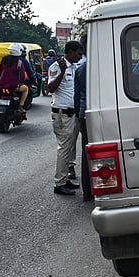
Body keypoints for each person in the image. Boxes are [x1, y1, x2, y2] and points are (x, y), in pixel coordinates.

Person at [47, 40, 84, 196]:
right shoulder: (56, 67)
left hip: (73, 113)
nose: (80, 57)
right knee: (63, 148)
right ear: (70, 52)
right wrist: (62, 72)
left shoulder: (75, 66)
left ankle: (65, 178)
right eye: (78, 54)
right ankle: (59, 183)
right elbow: (50, 88)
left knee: (70, 147)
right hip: (62, 114)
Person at [74, 37, 92, 201]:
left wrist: (78, 116)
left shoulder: (81, 67)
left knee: (87, 152)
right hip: (97, 112)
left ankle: (87, 191)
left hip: (84, 113)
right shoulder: (100, 64)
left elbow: (76, 96)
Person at [0, 43, 30, 114]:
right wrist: (20, 83)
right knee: (26, 89)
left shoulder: (4, 60)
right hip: (13, 87)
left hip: (1, 85)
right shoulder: (19, 62)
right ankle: (20, 106)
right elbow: (22, 75)